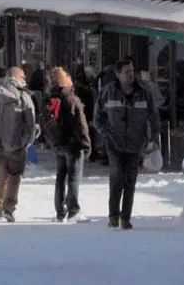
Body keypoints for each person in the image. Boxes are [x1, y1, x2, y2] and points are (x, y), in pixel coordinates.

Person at [94, 58, 159, 230]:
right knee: (116, 178)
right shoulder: (107, 92)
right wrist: (106, 133)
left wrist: (152, 138)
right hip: (114, 143)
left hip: (135, 143)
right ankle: (113, 216)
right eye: (126, 72)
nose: (131, 75)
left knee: (130, 180)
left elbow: (153, 116)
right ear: (118, 74)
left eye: (132, 71)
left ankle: (126, 217)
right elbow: (97, 117)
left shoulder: (144, 93)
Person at [0, 66, 38, 222]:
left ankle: (0, 207)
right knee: (15, 176)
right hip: (17, 145)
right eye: (23, 77)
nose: (25, 80)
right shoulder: (24, 97)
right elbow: (30, 122)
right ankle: (9, 207)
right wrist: (26, 141)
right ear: (16, 78)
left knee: (1, 176)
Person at [43, 66, 91, 222]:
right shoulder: (72, 99)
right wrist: (86, 144)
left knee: (60, 177)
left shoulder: (50, 99)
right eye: (67, 76)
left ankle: (60, 212)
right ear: (65, 81)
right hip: (73, 145)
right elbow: (81, 124)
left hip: (58, 144)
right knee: (73, 177)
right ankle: (73, 211)